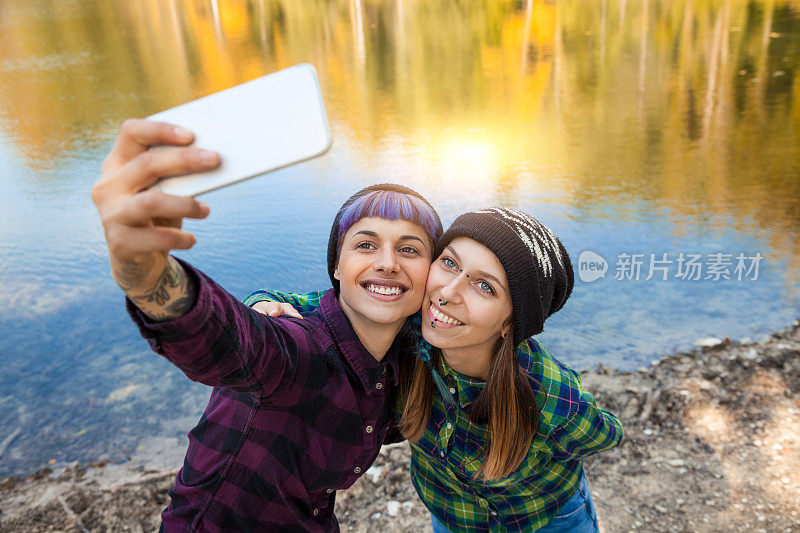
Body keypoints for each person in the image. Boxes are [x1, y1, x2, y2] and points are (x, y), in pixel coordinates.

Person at [91, 118, 444, 531]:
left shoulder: (402, 366)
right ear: (336, 265)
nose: (387, 263)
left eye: (409, 249)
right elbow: (225, 338)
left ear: (430, 275)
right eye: (365, 244)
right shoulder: (296, 349)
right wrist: (145, 272)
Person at [250, 208, 623, 532]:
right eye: (449, 263)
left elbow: (606, 434)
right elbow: (304, 305)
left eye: (485, 286)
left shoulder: (548, 391)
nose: (447, 292)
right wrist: (263, 306)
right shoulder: (405, 330)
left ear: (512, 323)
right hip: (450, 515)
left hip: (545, 518)